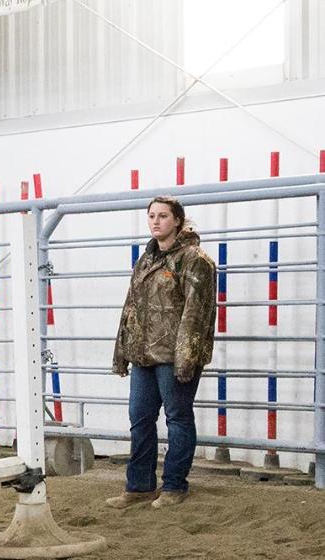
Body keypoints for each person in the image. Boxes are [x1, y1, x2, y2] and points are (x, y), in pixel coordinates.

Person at [106, 195, 217, 509]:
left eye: (163, 216)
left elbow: (197, 314)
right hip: (143, 356)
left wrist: (186, 358)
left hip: (174, 357)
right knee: (139, 418)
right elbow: (131, 308)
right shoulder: (145, 260)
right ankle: (139, 486)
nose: (156, 221)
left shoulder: (195, 260)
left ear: (178, 221)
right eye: (152, 215)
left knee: (177, 419)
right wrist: (122, 353)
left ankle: (174, 486)